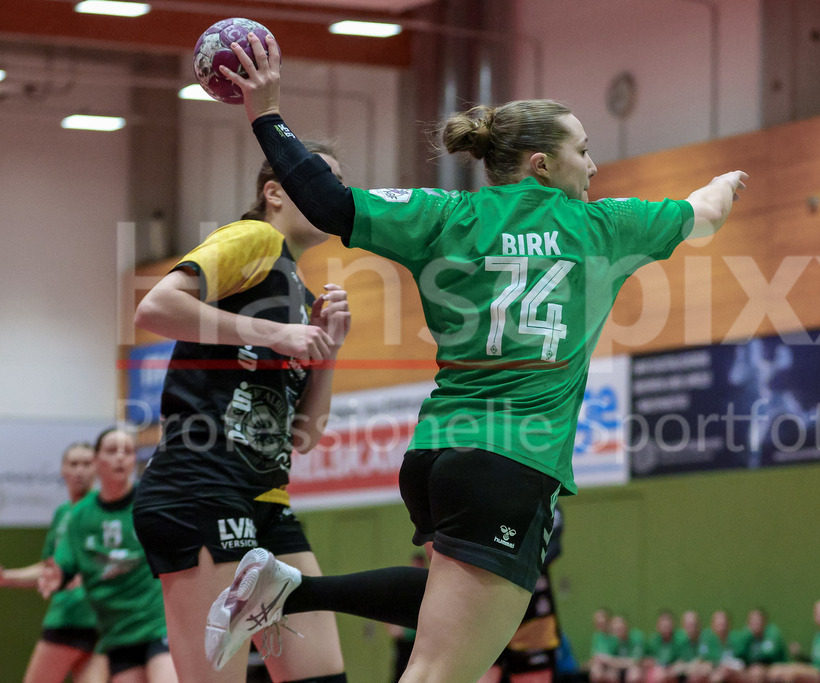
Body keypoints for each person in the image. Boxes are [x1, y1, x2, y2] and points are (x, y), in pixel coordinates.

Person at [206, 31, 746, 683]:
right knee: (439, 666)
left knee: (460, 621)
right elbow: (705, 212)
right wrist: (727, 179)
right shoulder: (604, 227)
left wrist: (266, 114)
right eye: (583, 149)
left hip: (436, 457)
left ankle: (290, 591)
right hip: (511, 461)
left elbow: (328, 202)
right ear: (543, 164)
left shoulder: (445, 214)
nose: (594, 166)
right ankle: (283, 591)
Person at [131, 140, 360, 683]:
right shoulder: (253, 238)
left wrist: (329, 351)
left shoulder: (303, 297)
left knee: (323, 676)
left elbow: (302, 437)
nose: (331, 196)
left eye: (336, 186)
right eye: (316, 181)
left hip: (268, 502)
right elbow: (155, 307)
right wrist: (273, 332)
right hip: (199, 488)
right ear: (274, 191)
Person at [40, 428, 176, 683]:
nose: (121, 457)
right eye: (112, 451)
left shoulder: (151, 502)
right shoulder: (79, 516)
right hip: (119, 635)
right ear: (97, 461)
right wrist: (55, 577)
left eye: (128, 451)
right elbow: (64, 566)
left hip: (159, 625)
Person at [0, 441, 108, 683]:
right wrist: (8, 578)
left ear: (97, 468)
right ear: (63, 470)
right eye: (73, 464)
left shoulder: (105, 511)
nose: (80, 470)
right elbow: (50, 569)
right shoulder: (62, 514)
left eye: (86, 464)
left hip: (99, 624)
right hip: (63, 620)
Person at [480, 503, 567, 683]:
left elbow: (554, 547)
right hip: (488, 609)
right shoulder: (483, 494)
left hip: (533, 615)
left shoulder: (546, 500)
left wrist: (514, 567)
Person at [388, 552, 428, 683]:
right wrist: (392, 628)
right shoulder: (404, 587)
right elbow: (390, 609)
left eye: (419, 565)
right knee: (399, 672)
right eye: (414, 565)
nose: (416, 568)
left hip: (419, 641)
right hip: (404, 641)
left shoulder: (429, 587)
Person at [688, 610, 745, 683]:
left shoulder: (736, 640)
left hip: (732, 673)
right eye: (719, 624)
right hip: (713, 672)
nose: (722, 628)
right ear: (713, 625)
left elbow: (741, 662)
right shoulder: (707, 639)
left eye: (724, 624)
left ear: (729, 624)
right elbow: (702, 660)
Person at [589, 614, 645, 683]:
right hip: (617, 668)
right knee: (603, 672)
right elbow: (600, 659)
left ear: (626, 625)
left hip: (635, 668)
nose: (618, 628)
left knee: (634, 674)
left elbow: (635, 662)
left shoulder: (636, 637)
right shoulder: (610, 640)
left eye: (621, 626)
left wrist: (611, 660)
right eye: (615, 628)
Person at [642, 610, 686, 683]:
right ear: (658, 626)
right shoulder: (653, 641)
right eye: (663, 626)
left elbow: (683, 659)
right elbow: (645, 659)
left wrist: (673, 668)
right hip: (657, 670)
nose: (666, 628)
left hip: (674, 671)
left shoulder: (680, 639)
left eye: (668, 625)